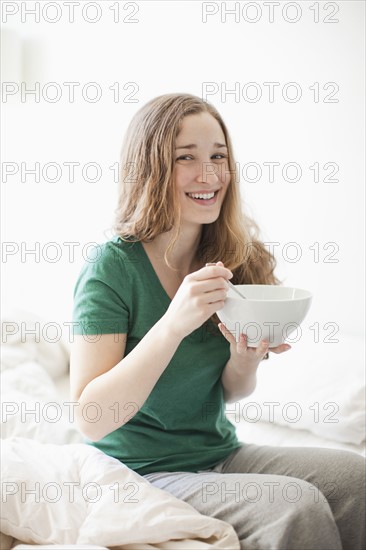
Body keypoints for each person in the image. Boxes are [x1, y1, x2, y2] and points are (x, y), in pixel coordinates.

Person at [70, 93, 365, 550]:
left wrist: (243, 360)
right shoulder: (113, 267)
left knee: (357, 480)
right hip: (140, 472)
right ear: (150, 167)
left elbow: (230, 391)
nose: (208, 175)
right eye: (185, 158)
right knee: (297, 504)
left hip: (219, 453)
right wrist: (172, 325)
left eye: (218, 157)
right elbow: (91, 419)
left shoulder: (235, 255)